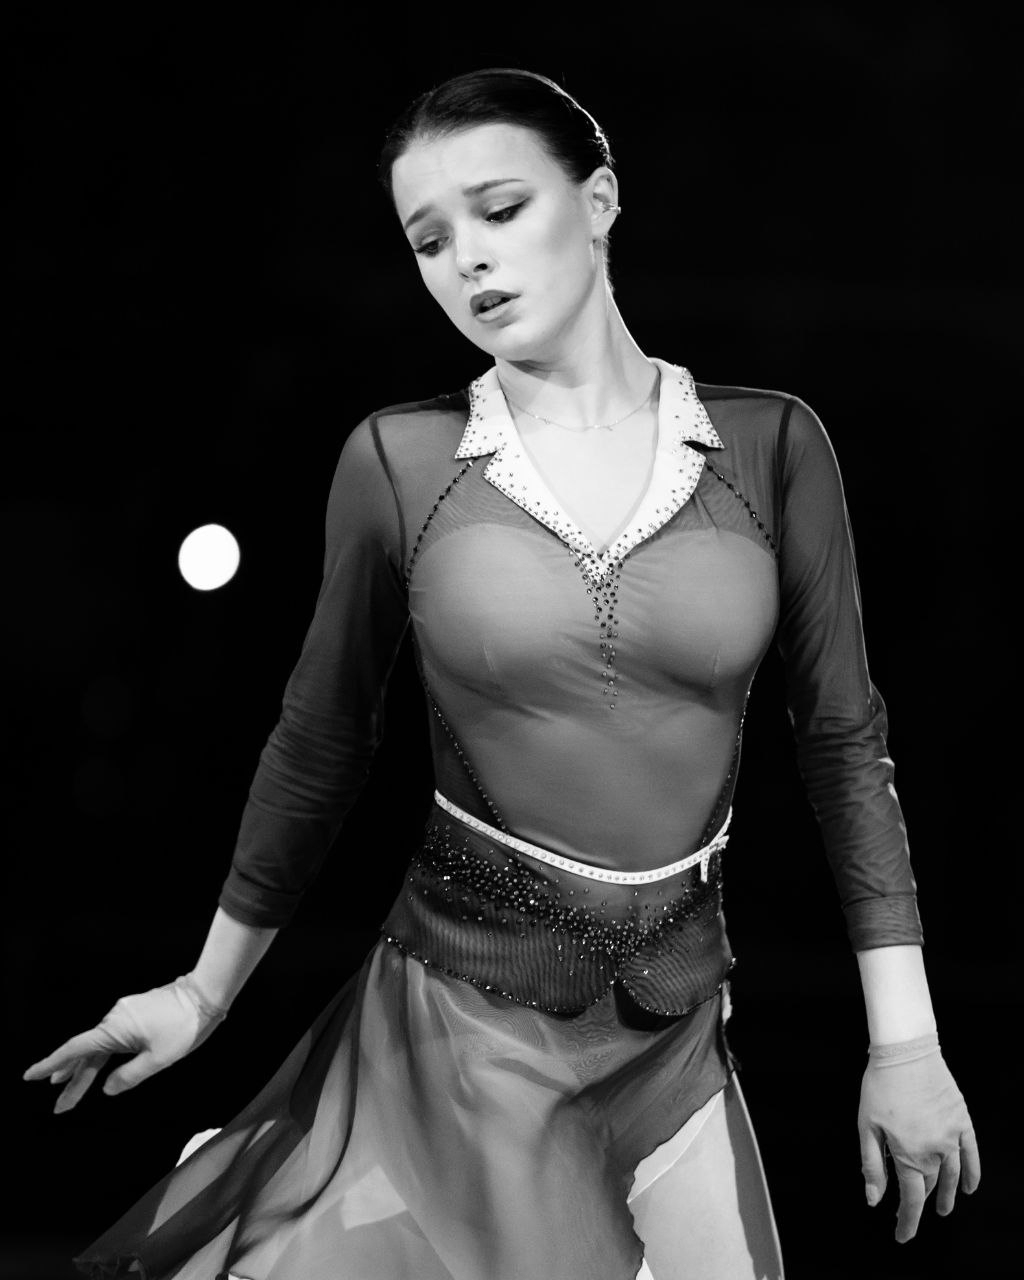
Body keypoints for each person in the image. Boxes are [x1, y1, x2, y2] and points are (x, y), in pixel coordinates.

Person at [22, 67, 980, 1280]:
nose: (466, 258)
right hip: (464, 1028)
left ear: (599, 200)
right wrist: (202, 994)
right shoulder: (400, 460)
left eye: (500, 209)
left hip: (679, 1032)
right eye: (429, 240)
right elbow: (319, 741)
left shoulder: (772, 444)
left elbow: (843, 744)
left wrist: (906, 1046)